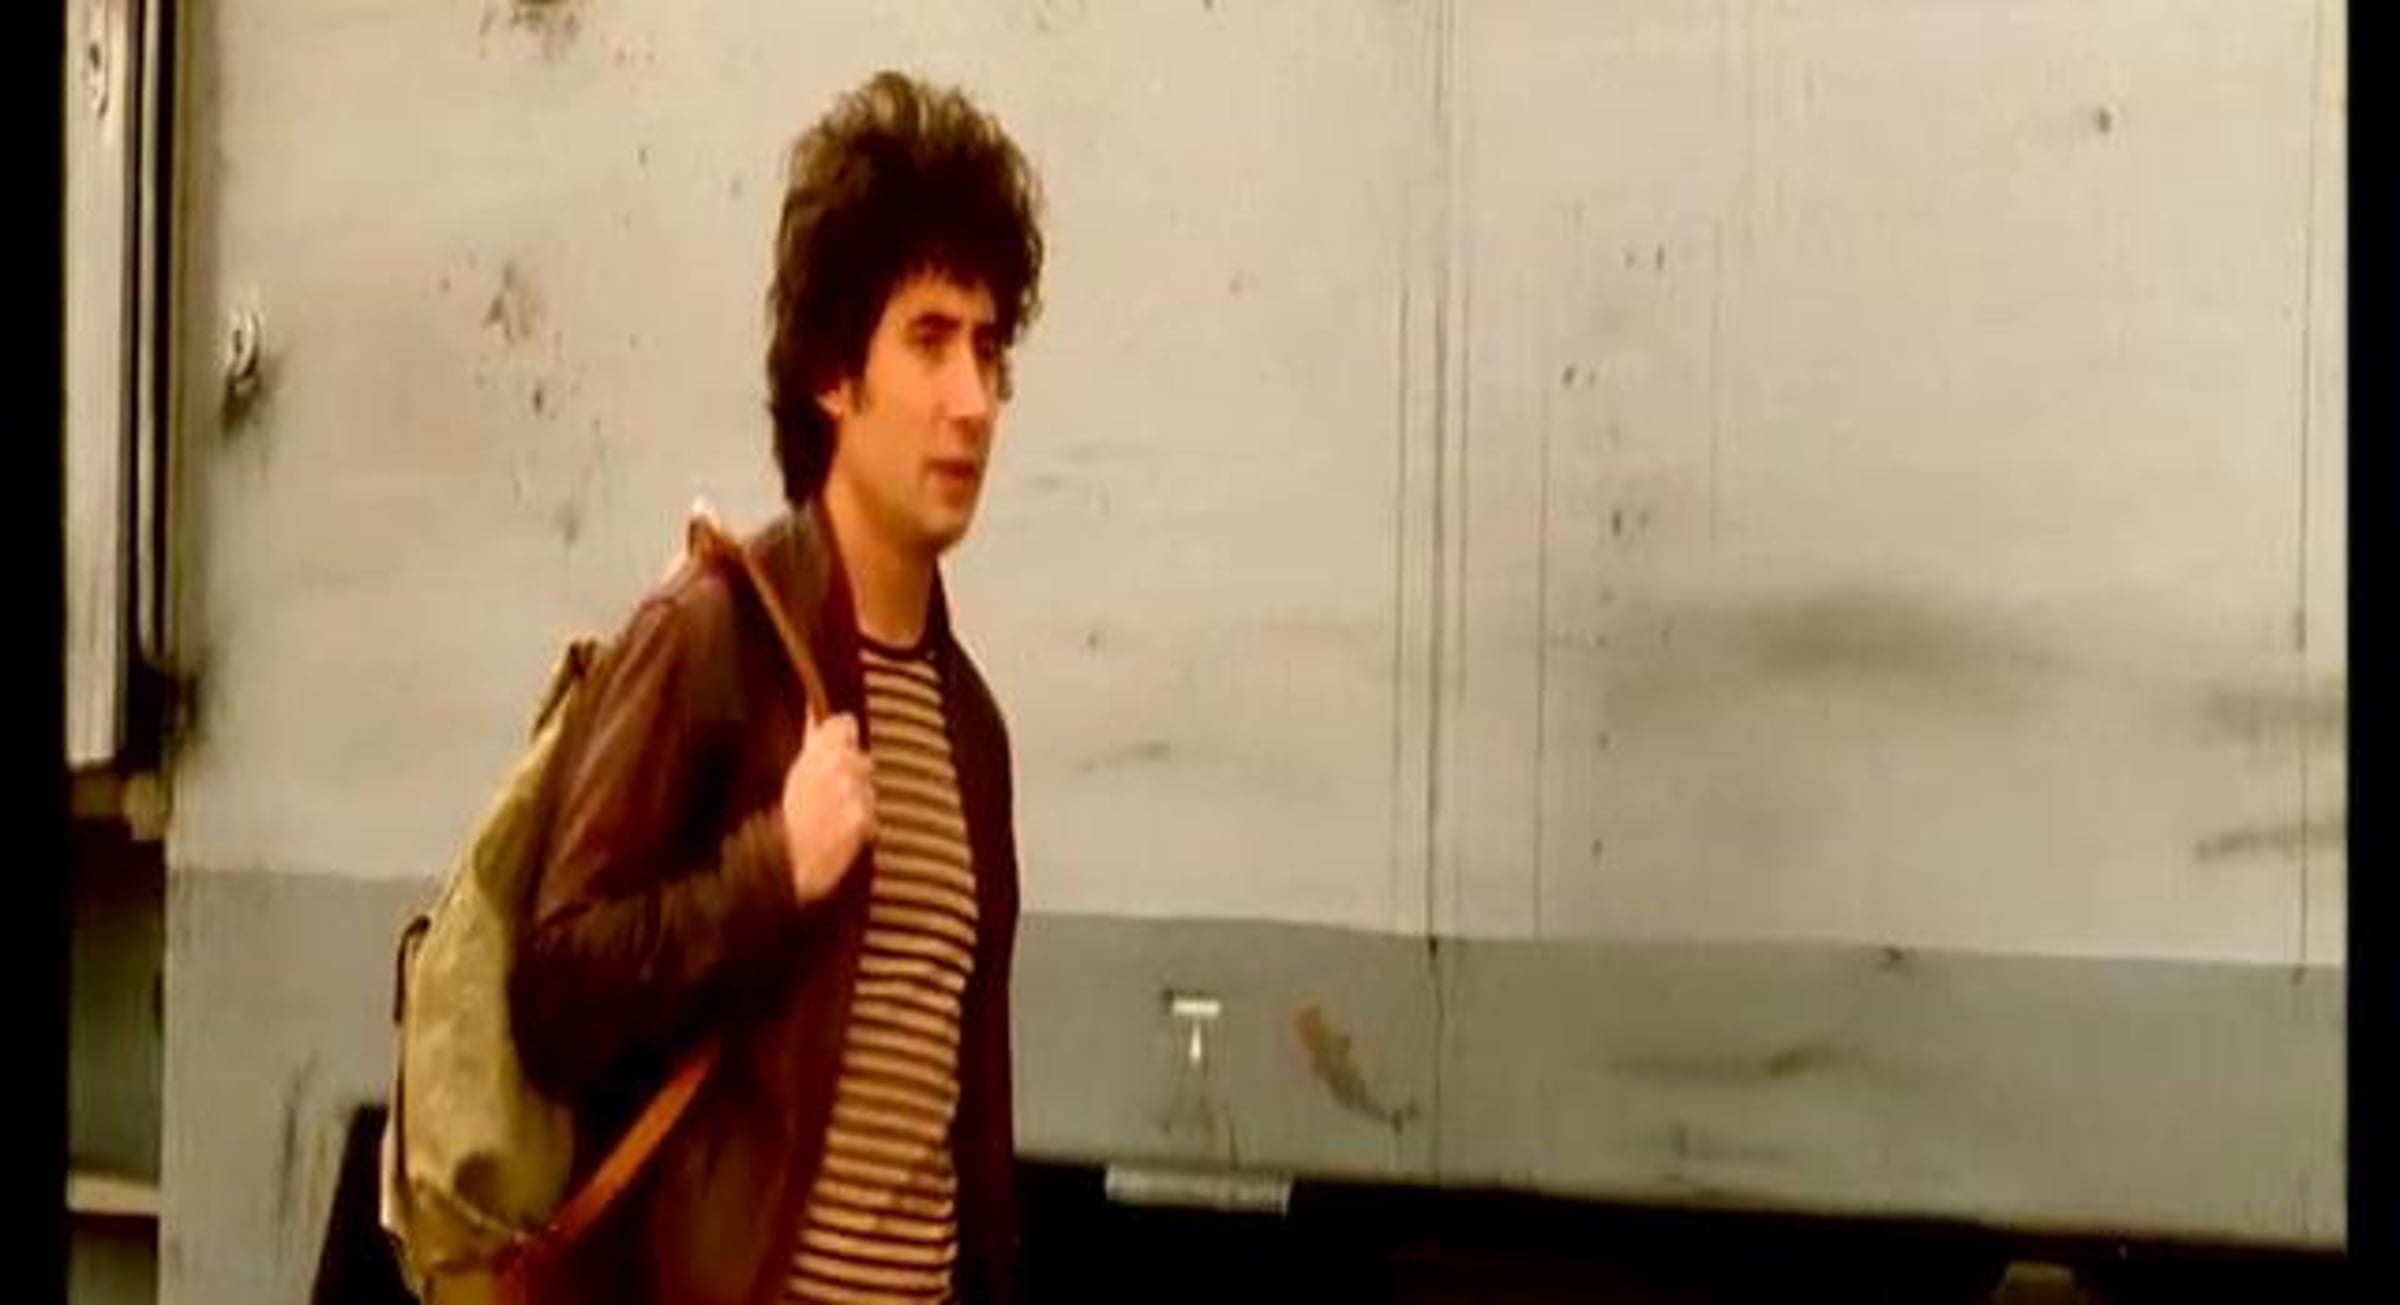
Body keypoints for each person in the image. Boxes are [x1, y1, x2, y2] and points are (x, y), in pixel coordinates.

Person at [509, 68, 1045, 1305]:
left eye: (988, 349)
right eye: (929, 340)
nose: (972, 401)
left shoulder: (971, 731)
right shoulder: (713, 639)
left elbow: (973, 1132)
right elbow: (555, 991)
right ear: (833, 376)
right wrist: (773, 871)